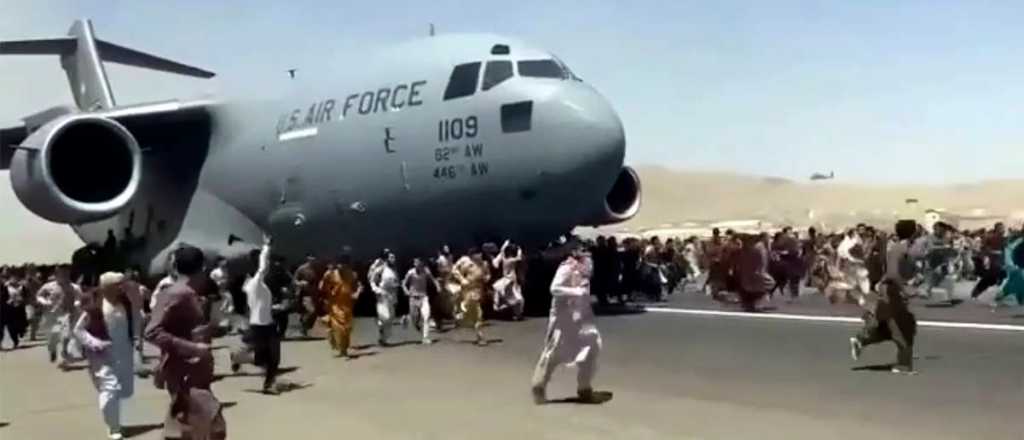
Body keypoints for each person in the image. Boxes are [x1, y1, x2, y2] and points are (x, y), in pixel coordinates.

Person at [145, 245, 226, 440]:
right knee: (213, 427)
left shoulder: (187, 293)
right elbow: (152, 332)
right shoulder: (177, 294)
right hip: (185, 375)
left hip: (192, 373)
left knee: (186, 425)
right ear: (203, 268)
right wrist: (193, 348)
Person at [531, 243, 603, 404]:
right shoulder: (566, 268)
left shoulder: (584, 269)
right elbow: (554, 289)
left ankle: (584, 388)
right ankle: (539, 385)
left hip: (581, 317)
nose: (588, 255)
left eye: (588, 251)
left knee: (592, 347)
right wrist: (576, 292)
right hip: (564, 318)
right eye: (584, 251)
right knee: (554, 352)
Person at [850, 220, 921, 375]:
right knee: (902, 327)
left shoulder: (906, 248)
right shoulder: (898, 248)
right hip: (892, 292)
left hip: (893, 290)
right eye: (916, 229)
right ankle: (903, 365)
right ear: (912, 232)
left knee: (899, 326)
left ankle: (862, 339)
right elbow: (893, 273)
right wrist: (904, 289)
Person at [73, 272, 138, 440]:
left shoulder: (125, 303)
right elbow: (78, 330)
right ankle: (113, 428)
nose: (121, 287)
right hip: (102, 356)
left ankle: (114, 420)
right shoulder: (95, 308)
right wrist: (95, 343)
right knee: (110, 389)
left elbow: (135, 322)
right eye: (117, 285)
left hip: (123, 353)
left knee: (122, 391)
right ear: (106, 287)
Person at [231, 235, 282, 394]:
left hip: (267, 324)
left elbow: (261, 304)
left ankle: (269, 384)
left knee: (273, 357)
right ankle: (238, 357)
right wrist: (266, 246)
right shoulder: (256, 284)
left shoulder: (258, 286)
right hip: (259, 326)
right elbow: (263, 266)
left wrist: (275, 308)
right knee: (263, 359)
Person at [36, 265, 83, 367]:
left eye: (66, 273)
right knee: (53, 336)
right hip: (52, 315)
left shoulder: (74, 287)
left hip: (66, 314)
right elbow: (39, 295)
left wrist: (77, 303)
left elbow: (79, 297)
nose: (64, 275)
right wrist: (44, 302)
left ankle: (64, 351)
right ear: (57, 274)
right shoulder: (48, 286)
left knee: (66, 334)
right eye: (62, 273)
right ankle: (52, 349)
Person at [318, 252, 362, 357]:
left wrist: (357, 292)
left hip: (348, 305)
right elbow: (322, 288)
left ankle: (344, 348)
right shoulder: (331, 274)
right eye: (340, 264)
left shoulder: (352, 275)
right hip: (335, 305)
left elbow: (356, 287)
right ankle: (341, 349)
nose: (341, 266)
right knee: (339, 327)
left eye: (344, 264)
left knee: (347, 328)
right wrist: (324, 278)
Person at [452, 247, 491, 345]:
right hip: (468, 290)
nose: (479, 256)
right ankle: (480, 337)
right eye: (477, 254)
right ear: (472, 256)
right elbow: (455, 270)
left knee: (473, 314)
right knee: (478, 314)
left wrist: (487, 278)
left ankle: (461, 315)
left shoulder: (484, 264)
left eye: (480, 254)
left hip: (479, 290)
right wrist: (462, 279)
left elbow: (488, 274)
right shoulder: (467, 263)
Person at [402, 258, 440, 344]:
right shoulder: (411, 272)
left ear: (421, 264)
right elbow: (404, 283)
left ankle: (425, 338)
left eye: (418, 263)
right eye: (415, 263)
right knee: (415, 320)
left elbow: (433, 279)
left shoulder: (426, 271)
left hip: (424, 297)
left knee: (426, 317)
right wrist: (406, 291)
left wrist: (437, 286)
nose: (417, 265)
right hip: (413, 298)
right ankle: (407, 318)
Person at [369, 251, 401, 346]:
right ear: (387, 259)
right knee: (385, 317)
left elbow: (396, 282)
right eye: (391, 257)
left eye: (394, 257)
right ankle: (380, 322)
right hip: (383, 295)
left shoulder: (395, 270)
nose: (393, 259)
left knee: (390, 318)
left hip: (392, 296)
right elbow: (372, 280)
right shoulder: (381, 269)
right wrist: (376, 290)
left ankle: (383, 339)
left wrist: (396, 289)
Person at [971, 223, 1008, 300]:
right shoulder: (990, 237)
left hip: (1001, 260)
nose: (1002, 230)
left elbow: (1005, 249)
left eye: (1003, 228)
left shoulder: (1004, 238)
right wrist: (986, 255)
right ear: (996, 229)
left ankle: (1001, 293)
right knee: (990, 278)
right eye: (1000, 228)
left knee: (999, 276)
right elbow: (983, 248)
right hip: (992, 260)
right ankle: (976, 292)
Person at [492, 240, 526, 320]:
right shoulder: (510, 260)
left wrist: (505, 244)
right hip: (509, 281)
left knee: (514, 298)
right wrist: (519, 249)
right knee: (517, 298)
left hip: (510, 281)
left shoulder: (504, 258)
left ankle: (516, 314)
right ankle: (516, 314)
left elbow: (502, 251)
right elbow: (519, 258)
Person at [991, 232, 1024, 311]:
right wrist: (1013, 264)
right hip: (1015, 264)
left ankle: (1019, 299)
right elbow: (1011, 251)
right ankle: (1004, 295)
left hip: (1015, 264)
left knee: (1017, 281)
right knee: (1018, 281)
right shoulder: (1018, 241)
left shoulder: (1018, 241)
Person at [292, 255, 322, 337]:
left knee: (314, 313)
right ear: (307, 259)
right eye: (311, 258)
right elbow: (294, 280)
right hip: (305, 293)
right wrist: (300, 283)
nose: (313, 260)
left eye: (314, 258)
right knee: (311, 311)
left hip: (315, 294)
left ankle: (305, 327)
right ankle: (303, 327)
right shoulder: (302, 269)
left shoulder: (317, 269)